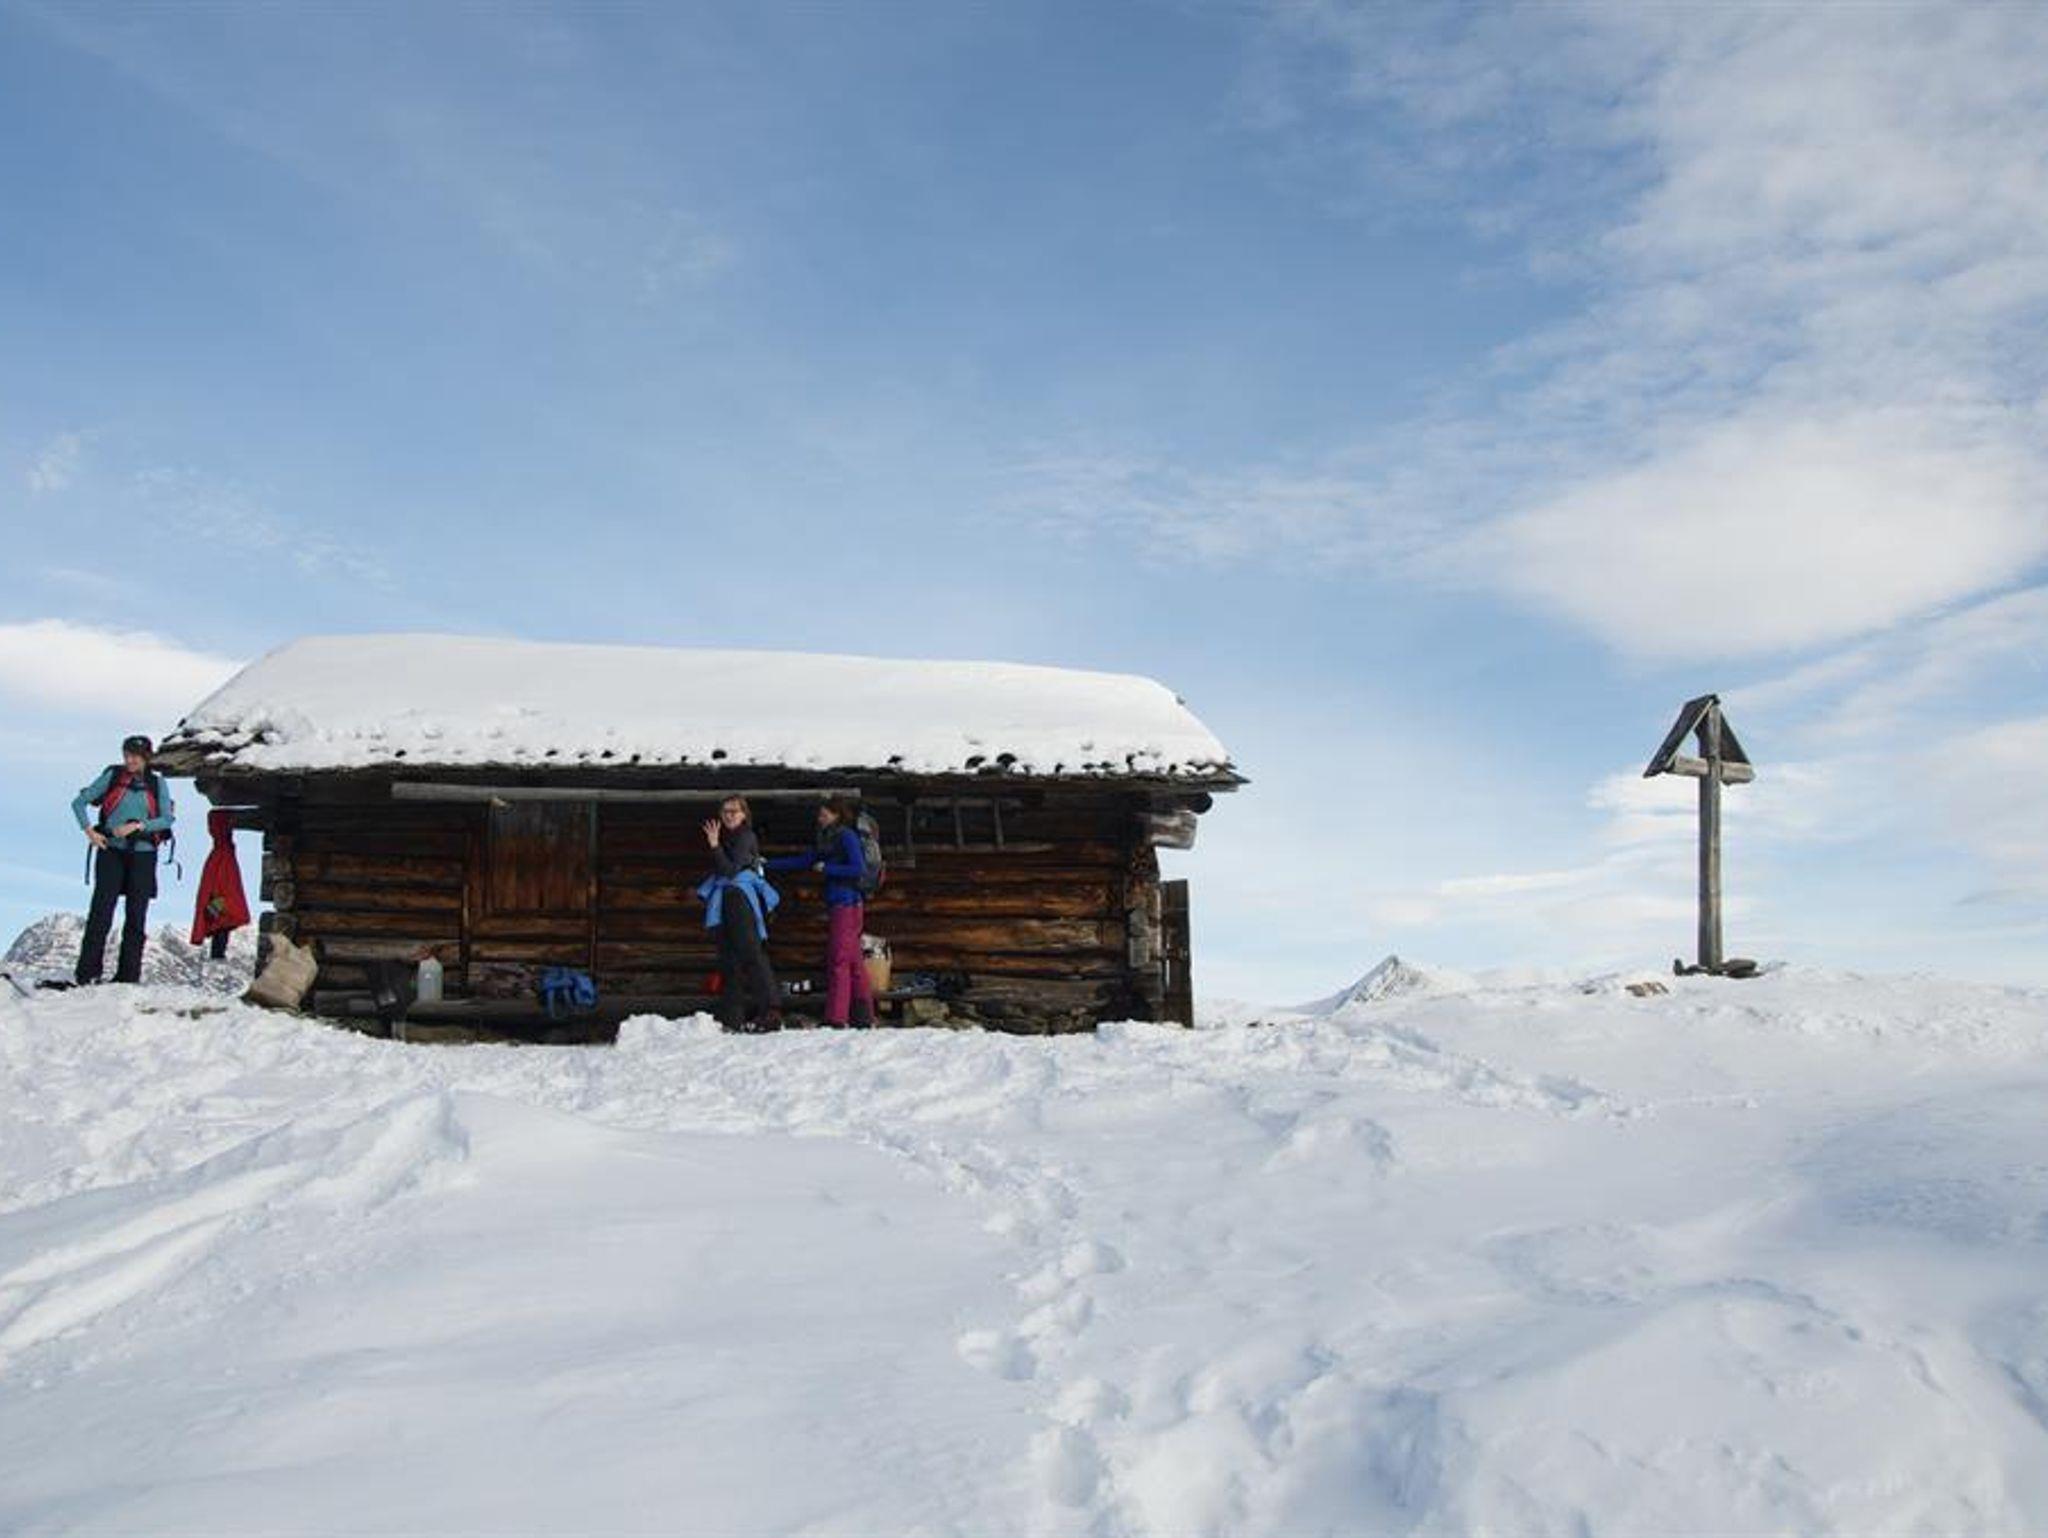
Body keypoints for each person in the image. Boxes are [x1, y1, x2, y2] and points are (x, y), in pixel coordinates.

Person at [72, 734, 176, 985]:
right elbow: (79, 803)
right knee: (101, 912)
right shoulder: (113, 776)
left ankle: (128, 977)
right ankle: (87, 974)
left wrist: (138, 826)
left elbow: (167, 819)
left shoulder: (157, 784)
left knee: (136, 915)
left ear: (146, 757)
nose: (130, 760)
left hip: (144, 854)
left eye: (135, 756)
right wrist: (90, 832)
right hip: (111, 851)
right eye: (127, 755)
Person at [767, 795, 874, 1028]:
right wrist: (767, 865)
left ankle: (837, 1017)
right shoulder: (827, 839)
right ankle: (863, 1014)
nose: (820, 818)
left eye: (824, 814)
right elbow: (804, 860)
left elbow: (858, 868)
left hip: (847, 903)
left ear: (836, 815)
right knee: (853, 961)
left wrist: (828, 868)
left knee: (838, 960)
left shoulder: (846, 836)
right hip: (841, 903)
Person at [697, 795, 782, 1034]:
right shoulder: (730, 837)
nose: (729, 815)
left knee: (750, 952)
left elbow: (730, 870)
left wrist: (714, 846)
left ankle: (771, 1011)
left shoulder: (745, 837)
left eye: (734, 811)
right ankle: (732, 1016)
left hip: (739, 898)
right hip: (728, 897)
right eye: (725, 811)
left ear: (744, 814)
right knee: (729, 957)